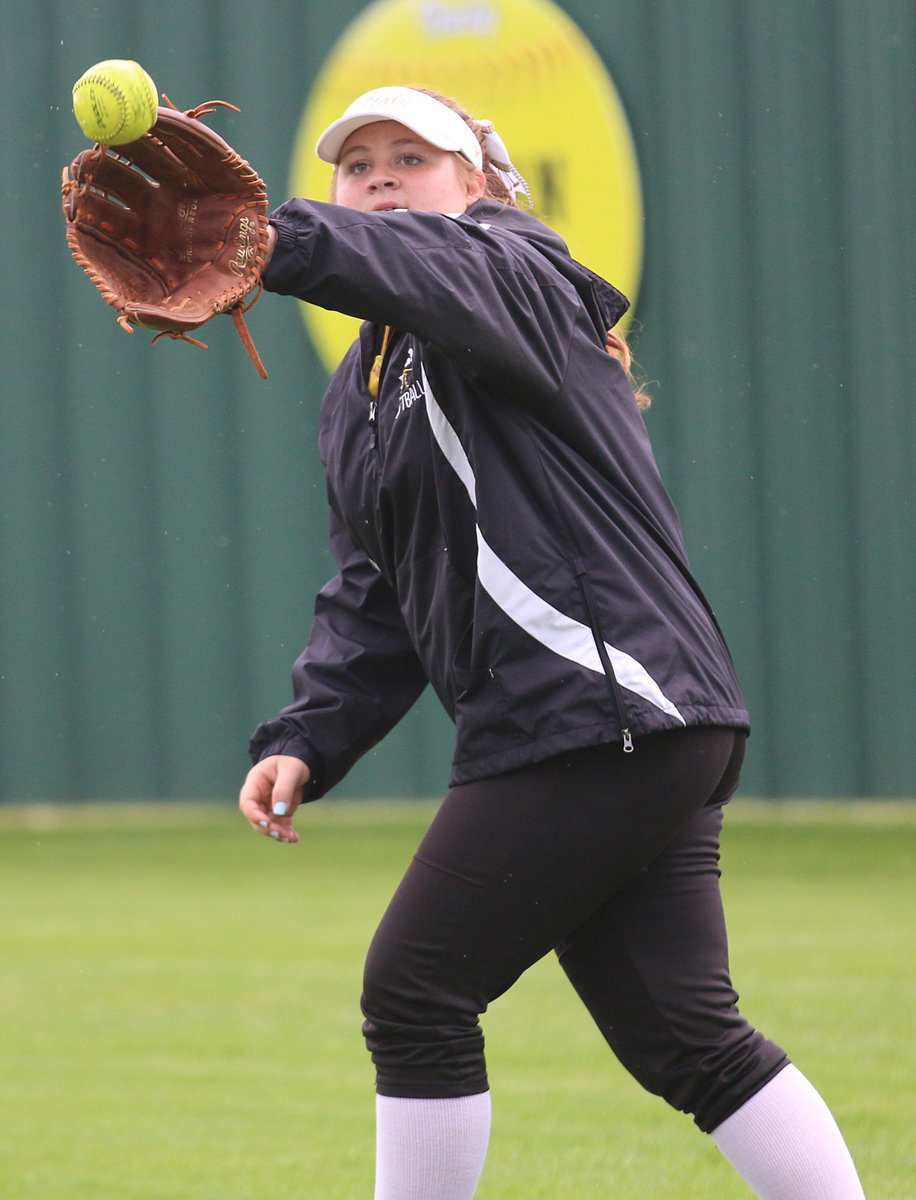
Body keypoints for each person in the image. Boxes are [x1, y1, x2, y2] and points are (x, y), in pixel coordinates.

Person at [238, 85, 866, 1199]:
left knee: (415, 991)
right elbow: (375, 594)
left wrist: (277, 237)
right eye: (357, 162)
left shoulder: (514, 274)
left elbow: (442, 271)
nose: (379, 175)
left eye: (412, 158)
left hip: (596, 713)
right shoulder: (363, 387)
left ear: (474, 185)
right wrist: (307, 734)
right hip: (626, 723)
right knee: (686, 1037)